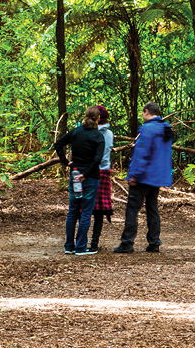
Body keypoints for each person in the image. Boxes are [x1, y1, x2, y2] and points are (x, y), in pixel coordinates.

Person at [115, 102, 174, 253]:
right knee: (152, 208)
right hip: (157, 177)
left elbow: (142, 154)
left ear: (146, 112)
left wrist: (134, 175)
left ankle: (127, 242)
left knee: (132, 209)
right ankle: (154, 242)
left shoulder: (148, 129)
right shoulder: (166, 128)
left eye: (142, 113)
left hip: (144, 176)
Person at [51, 106, 107, 255]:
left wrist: (65, 161)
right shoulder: (98, 137)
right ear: (97, 119)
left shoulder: (75, 133)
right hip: (90, 178)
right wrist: (86, 174)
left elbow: (58, 144)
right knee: (86, 212)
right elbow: (97, 159)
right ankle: (81, 247)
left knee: (73, 211)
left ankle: (69, 245)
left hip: (75, 175)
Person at [91, 106, 116, 251]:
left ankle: (80, 241)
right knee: (99, 212)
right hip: (104, 172)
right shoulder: (110, 134)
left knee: (85, 209)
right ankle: (94, 242)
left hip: (91, 172)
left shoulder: (91, 133)